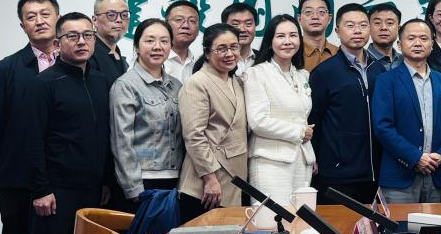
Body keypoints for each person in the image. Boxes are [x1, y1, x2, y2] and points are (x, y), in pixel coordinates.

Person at [24, 13, 113, 234]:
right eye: (72, 36)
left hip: (91, 189)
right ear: (57, 43)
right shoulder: (44, 83)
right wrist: (41, 189)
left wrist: (106, 180)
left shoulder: (100, 81)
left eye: (87, 35)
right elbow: (31, 139)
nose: (81, 42)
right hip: (55, 190)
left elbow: (105, 135)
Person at [0, 0, 60, 234]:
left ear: (58, 18)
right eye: (31, 17)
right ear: (23, 26)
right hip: (18, 177)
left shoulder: (78, 64)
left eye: (45, 14)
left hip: (63, 175)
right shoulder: (4, 70)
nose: (40, 21)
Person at [372, 18, 441, 204]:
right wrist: (415, 157)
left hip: (435, 173)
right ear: (400, 45)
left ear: (432, 45)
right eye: (411, 38)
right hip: (399, 176)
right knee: (399, 224)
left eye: (424, 38)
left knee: (434, 224)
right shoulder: (386, 81)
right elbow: (383, 127)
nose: (418, 43)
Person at [310, 3, 384, 203]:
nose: (357, 31)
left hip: (375, 172)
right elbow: (314, 120)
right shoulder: (324, 72)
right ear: (336, 30)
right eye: (350, 25)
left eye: (363, 25)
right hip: (338, 173)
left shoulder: (380, 70)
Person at [243, 14, 315, 217]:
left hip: (301, 159)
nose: (288, 41)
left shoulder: (302, 75)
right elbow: (258, 121)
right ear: (270, 41)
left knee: (302, 221)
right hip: (270, 161)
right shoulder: (256, 73)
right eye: (281, 36)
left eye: (293, 35)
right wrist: (299, 132)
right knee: (272, 221)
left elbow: (301, 115)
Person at [109, 18, 183, 211]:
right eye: (150, 40)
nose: (157, 47)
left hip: (176, 181)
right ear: (136, 46)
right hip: (143, 181)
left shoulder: (177, 86)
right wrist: (133, 187)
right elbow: (122, 141)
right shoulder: (125, 85)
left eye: (164, 41)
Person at [177, 23, 248, 221]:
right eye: (221, 49)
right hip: (205, 182)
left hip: (233, 177)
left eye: (234, 47)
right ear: (208, 53)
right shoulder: (197, 83)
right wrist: (210, 178)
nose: (229, 54)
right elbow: (194, 135)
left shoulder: (236, 81)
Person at [91, 0, 130, 85]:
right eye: (111, 15)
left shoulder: (118, 55)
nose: (119, 20)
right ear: (95, 20)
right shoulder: (88, 53)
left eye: (124, 15)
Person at [298, 0, 339, 74]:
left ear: (329, 19)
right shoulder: (292, 53)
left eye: (321, 12)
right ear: (299, 19)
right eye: (308, 12)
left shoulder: (339, 54)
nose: (315, 17)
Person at [164, 0, 201, 85]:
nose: (186, 25)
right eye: (179, 19)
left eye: (192, 21)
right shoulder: (154, 61)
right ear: (165, 25)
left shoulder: (200, 65)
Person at [221, 1, 259, 73]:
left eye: (248, 24)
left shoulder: (264, 59)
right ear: (224, 27)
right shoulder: (216, 60)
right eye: (235, 24)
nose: (242, 29)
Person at [366, 2, 404, 71]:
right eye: (377, 23)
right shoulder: (361, 61)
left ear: (398, 29)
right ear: (369, 28)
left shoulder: (406, 61)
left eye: (389, 23)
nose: (383, 27)